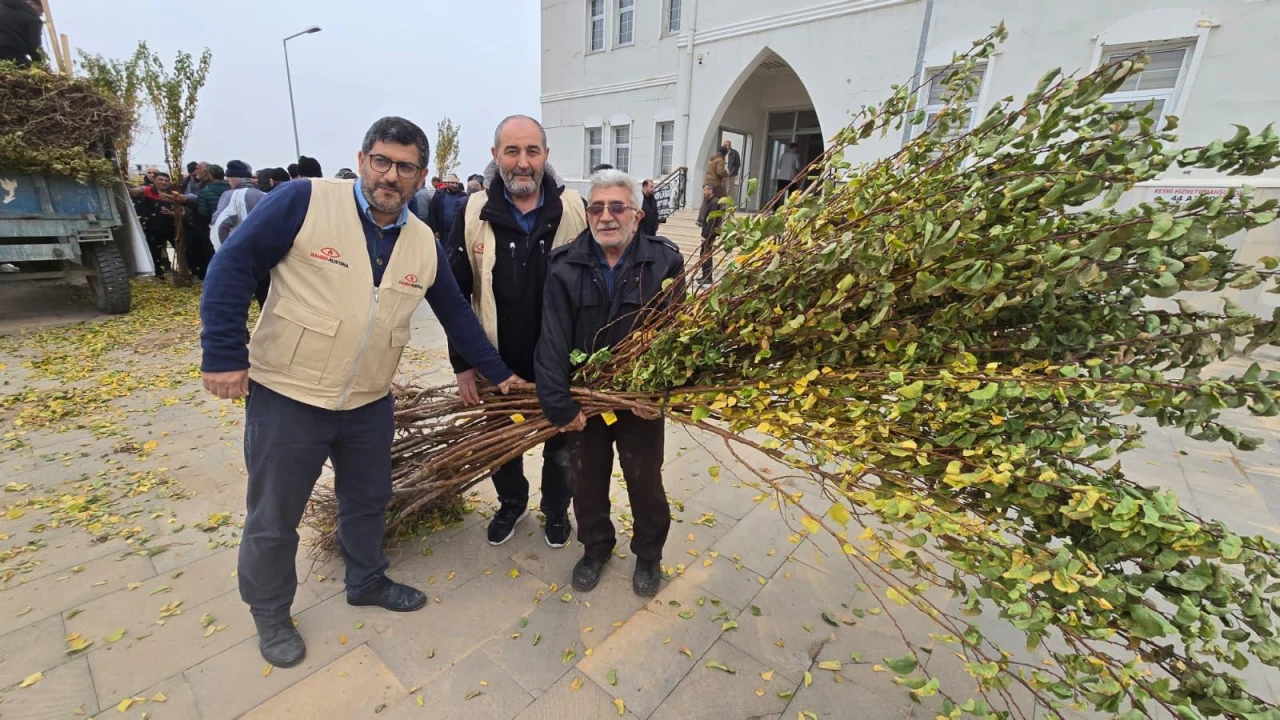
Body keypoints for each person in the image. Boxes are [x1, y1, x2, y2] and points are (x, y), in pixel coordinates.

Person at [200, 116, 523, 669]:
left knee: (369, 499)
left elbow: (455, 315)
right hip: (289, 395)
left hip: (369, 401)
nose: (390, 176)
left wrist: (499, 373)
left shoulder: (421, 242)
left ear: (421, 175)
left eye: (405, 167)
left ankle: (366, 579)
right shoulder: (305, 201)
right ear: (362, 159)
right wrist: (224, 354)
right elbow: (232, 266)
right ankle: (271, 612)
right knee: (274, 515)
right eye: (381, 161)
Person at [535, 168, 684, 597]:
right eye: (597, 207)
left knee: (645, 480)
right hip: (584, 403)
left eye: (617, 207)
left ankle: (649, 553)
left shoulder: (665, 262)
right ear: (587, 214)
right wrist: (560, 406)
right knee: (586, 480)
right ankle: (595, 547)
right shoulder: (564, 264)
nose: (605, 216)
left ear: (637, 214)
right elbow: (552, 339)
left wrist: (657, 396)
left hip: (639, 401)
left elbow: (676, 338)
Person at [448, 115, 588, 548]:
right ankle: (511, 504)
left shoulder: (573, 208)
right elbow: (455, 295)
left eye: (532, 151)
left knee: (562, 444)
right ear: (496, 156)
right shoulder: (473, 212)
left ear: (546, 155)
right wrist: (463, 363)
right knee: (500, 444)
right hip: (496, 362)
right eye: (512, 151)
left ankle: (556, 510)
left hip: (562, 362)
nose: (522, 162)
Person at [135, 171, 180, 279]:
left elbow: (181, 212)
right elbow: (134, 192)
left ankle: (184, 271)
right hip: (152, 228)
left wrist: (171, 213)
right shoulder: (146, 191)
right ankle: (158, 275)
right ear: (155, 180)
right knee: (154, 252)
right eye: (160, 180)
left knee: (180, 249)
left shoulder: (174, 195)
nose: (163, 182)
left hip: (171, 227)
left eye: (166, 180)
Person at [212, 160, 265, 251]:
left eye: (228, 180)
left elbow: (219, 224)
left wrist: (221, 252)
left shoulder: (231, 195)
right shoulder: (265, 195)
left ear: (232, 179)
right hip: (264, 251)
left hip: (239, 251)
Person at [696, 182, 724, 285]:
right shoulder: (710, 201)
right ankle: (705, 275)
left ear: (710, 191)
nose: (704, 192)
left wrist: (705, 235)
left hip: (710, 233)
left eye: (705, 190)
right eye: (704, 190)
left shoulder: (714, 202)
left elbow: (712, 220)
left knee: (706, 254)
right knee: (704, 254)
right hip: (708, 231)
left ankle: (708, 277)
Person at [0, 0, 42, 66]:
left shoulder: (3, 5)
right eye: (40, 10)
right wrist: (39, 65)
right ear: (31, 3)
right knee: (25, 68)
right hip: (10, 51)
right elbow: (34, 48)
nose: (41, 14)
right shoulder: (34, 20)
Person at [427, 173, 467, 240]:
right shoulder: (438, 196)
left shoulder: (463, 196)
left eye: (456, 183)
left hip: (458, 233)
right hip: (443, 233)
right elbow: (432, 213)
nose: (455, 185)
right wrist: (435, 230)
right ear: (447, 183)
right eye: (452, 183)